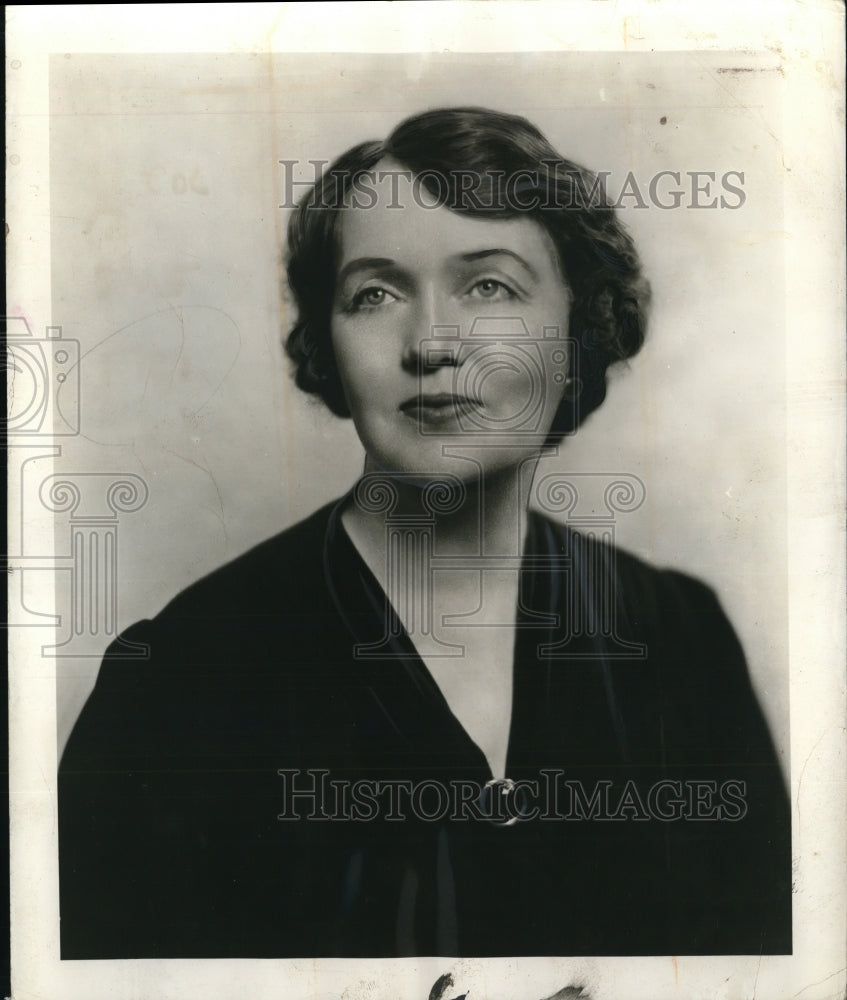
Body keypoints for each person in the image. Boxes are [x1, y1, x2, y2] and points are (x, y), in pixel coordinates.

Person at [58, 107, 791, 959]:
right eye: (375, 294)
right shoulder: (179, 685)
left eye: (489, 286)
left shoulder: (680, 640)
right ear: (329, 344)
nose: (432, 343)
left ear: (576, 329)